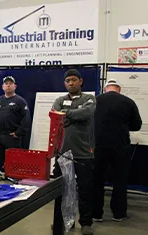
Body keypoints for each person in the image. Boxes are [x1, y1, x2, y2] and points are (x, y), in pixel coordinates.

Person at [52, 69, 96, 235]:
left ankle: (86, 223)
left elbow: (87, 113)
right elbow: (55, 115)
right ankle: (60, 222)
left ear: (80, 81)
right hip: (63, 153)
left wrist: (66, 115)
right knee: (61, 190)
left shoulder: (89, 99)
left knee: (85, 189)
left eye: (74, 80)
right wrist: (71, 116)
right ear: (65, 83)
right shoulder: (60, 100)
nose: (71, 83)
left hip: (83, 153)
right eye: (68, 81)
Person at [93, 79, 142, 222]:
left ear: (105, 88)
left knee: (97, 180)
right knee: (120, 181)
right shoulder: (128, 102)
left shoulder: (95, 100)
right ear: (119, 89)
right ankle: (118, 214)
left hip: (98, 145)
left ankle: (96, 214)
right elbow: (137, 125)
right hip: (120, 146)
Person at [0, 76, 30, 172]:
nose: (8, 86)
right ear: (2, 87)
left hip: (12, 137)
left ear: (15, 86)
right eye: (6, 84)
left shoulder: (20, 101)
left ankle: (12, 181)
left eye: (10, 84)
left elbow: (26, 120)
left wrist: (18, 133)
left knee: (13, 164)